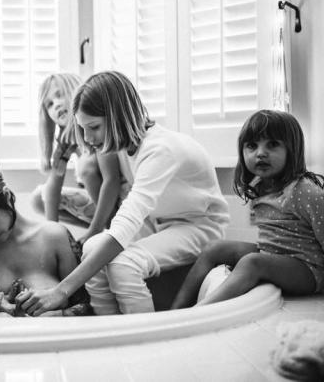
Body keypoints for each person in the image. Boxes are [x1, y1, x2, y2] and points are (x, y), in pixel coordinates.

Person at [17, 71, 229, 315]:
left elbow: (125, 224)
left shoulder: (160, 150)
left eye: (93, 127)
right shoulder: (122, 145)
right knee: (91, 249)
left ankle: (141, 336)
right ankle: (107, 328)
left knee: (124, 265)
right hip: (157, 222)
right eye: (83, 128)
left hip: (199, 225)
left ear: (117, 116)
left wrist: (61, 291)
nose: (87, 138)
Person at [171, 110, 324, 308]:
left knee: (252, 262)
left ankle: (199, 312)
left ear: (292, 149)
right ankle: (175, 310)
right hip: (274, 255)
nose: (260, 153)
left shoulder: (304, 190)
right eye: (252, 145)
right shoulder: (261, 184)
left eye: (273, 144)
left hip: (309, 270)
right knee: (214, 248)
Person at [0, 148, 91, 317]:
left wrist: (61, 315)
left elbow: (88, 308)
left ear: (6, 197)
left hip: (50, 339)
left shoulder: (54, 237)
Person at [31, 73, 125, 243]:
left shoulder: (97, 127)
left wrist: (94, 231)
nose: (57, 104)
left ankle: (108, 230)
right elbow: (54, 185)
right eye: (50, 104)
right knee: (39, 198)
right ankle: (93, 229)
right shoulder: (66, 141)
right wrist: (53, 235)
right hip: (102, 204)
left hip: (120, 201)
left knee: (85, 167)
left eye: (60, 95)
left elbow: (111, 180)